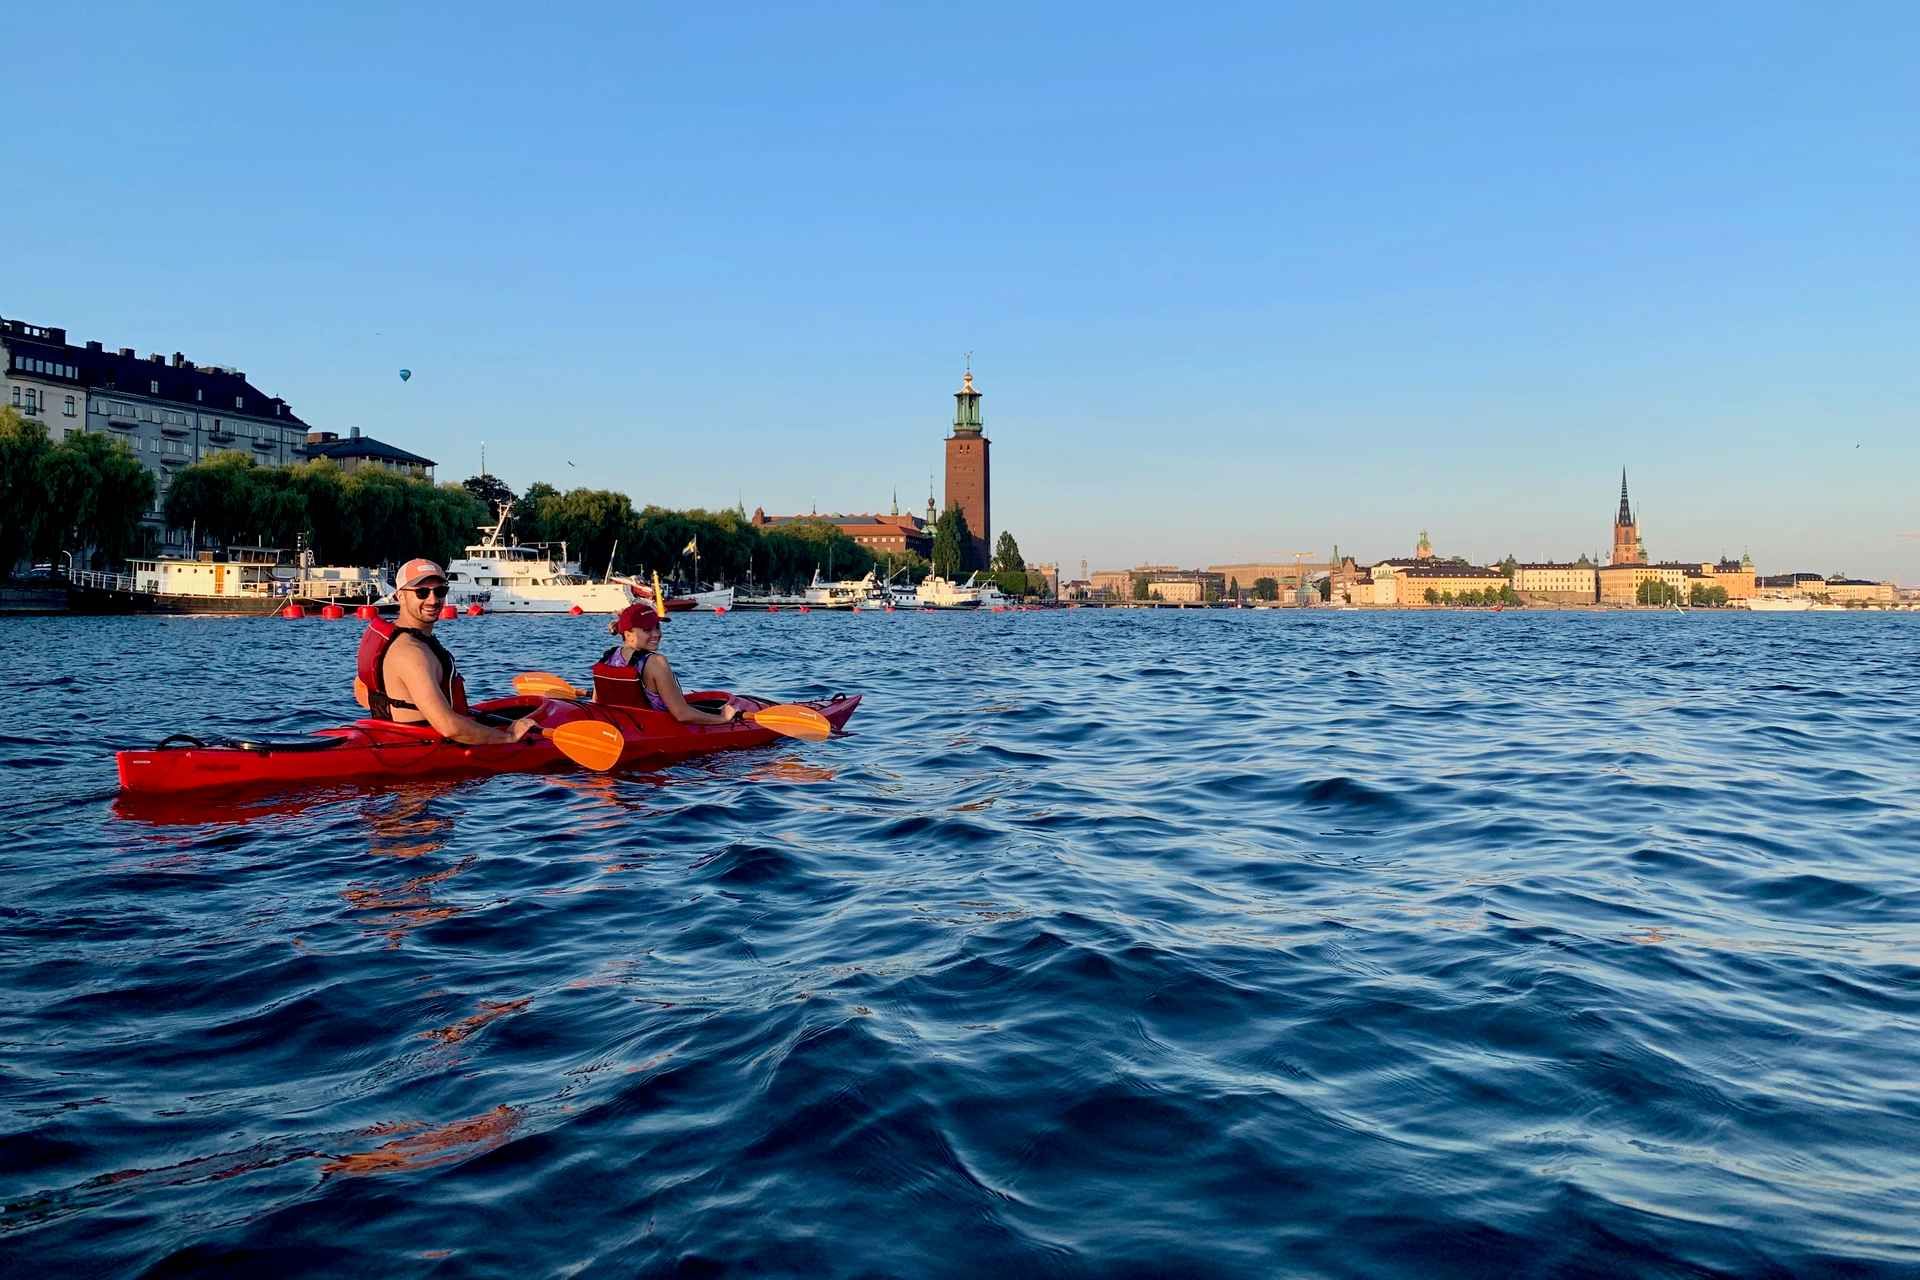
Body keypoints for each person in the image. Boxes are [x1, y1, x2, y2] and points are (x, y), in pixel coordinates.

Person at [356, 558, 540, 744]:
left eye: (440, 591)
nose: (433, 599)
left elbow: (362, 692)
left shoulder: (391, 638)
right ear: (399, 596)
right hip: (421, 747)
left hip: (392, 737)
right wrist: (509, 737)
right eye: (422, 592)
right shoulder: (412, 653)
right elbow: (449, 727)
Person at [593, 602, 741, 723]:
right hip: (655, 728)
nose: (656, 634)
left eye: (657, 627)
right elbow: (682, 714)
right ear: (628, 634)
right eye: (647, 630)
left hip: (622, 725)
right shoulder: (656, 662)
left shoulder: (607, 658)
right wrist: (723, 718)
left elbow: (596, 703)